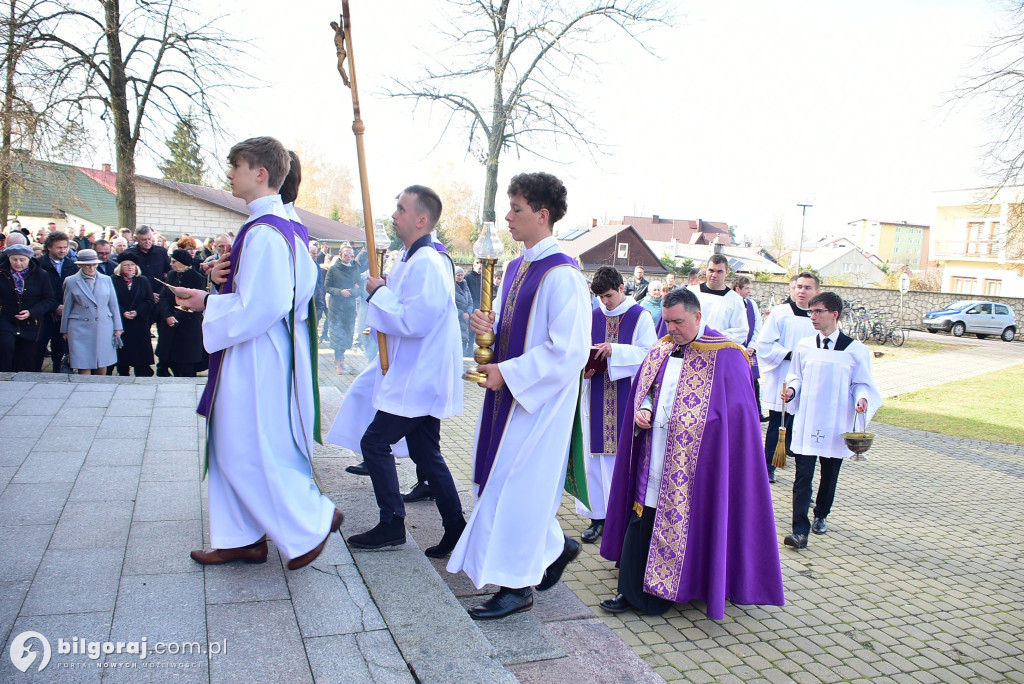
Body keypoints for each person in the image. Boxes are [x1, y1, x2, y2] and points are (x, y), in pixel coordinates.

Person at [173, 135, 340, 571]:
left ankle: (311, 520)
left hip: (256, 356)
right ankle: (240, 539)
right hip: (262, 352)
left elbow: (263, 307)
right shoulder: (278, 227)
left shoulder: (266, 233)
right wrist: (220, 282)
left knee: (239, 446)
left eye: (236, 165)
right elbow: (290, 293)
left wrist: (207, 302)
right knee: (233, 445)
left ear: (260, 173)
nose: (229, 174)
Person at [448, 172, 590, 620]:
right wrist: (488, 331)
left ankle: (518, 587)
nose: (508, 217)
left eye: (517, 209)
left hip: (537, 405)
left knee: (517, 491)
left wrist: (507, 374)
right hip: (507, 398)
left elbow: (568, 350)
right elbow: (518, 331)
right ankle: (551, 547)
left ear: (542, 215)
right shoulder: (516, 267)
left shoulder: (563, 274)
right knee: (500, 484)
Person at [598, 287, 785, 618]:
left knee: (689, 523)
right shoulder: (661, 349)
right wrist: (643, 406)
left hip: (697, 466)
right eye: (667, 322)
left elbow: (738, 417)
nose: (672, 329)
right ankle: (631, 590)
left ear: (698, 317)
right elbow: (650, 389)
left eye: (678, 322)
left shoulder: (728, 355)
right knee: (642, 518)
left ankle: (678, 588)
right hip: (654, 455)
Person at [336, 185, 466, 555]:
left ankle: (392, 523)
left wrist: (379, 293)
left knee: (374, 442)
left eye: (401, 209)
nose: (394, 215)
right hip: (413, 371)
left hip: (419, 375)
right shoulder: (413, 257)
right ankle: (456, 527)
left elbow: (415, 320)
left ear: (421, 220)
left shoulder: (428, 261)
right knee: (427, 455)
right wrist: (384, 289)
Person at [781, 292, 881, 549]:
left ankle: (822, 513)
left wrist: (862, 399)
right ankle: (799, 531)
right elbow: (796, 377)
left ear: (834, 314)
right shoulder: (805, 346)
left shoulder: (855, 350)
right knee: (802, 476)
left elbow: (862, 383)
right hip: (808, 419)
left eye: (818, 312)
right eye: (811, 312)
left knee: (829, 474)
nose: (812, 317)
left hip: (836, 421)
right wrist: (791, 391)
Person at [577, 266, 657, 545]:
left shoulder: (640, 317)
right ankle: (596, 519)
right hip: (595, 396)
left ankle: (620, 522)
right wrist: (583, 370)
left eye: (609, 295)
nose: (605, 302)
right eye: (599, 297)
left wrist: (615, 351)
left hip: (626, 398)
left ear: (622, 288)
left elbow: (651, 356)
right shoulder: (593, 316)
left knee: (617, 464)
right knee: (593, 461)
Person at [756, 272, 819, 483]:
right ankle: (768, 466)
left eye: (808, 287)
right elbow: (764, 343)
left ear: (816, 291)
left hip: (809, 378)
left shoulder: (818, 315)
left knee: (800, 423)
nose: (802, 291)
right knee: (778, 423)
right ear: (791, 289)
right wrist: (789, 354)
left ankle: (801, 472)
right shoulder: (781, 312)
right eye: (799, 286)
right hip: (783, 374)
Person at [60, 249, 122, 375]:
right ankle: (84, 388)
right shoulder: (71, 281)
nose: (91, 267)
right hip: (80, 326)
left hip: (104, 325)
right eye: (88, 265)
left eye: (94, 264)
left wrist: (117, 327)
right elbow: (67, 307)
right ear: (80, 265)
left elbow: (113, 305)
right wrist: (64, 329)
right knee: (83, 361)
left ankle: (101, 388)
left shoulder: (106, 280)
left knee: (103, 360)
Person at [0, 244, 57, 372]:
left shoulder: (41, 275)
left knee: (27, 358)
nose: (18, 263)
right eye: (14, 259)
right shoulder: (2, 273)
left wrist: (32, 312)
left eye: (22, 260)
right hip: (6, 319)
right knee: (5, 347)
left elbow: (49, 299)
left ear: (29, 259)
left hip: (31, 323)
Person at [155, 249, 207, 377]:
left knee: (185, 363)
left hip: (187, 326)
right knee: (167, 358)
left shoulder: (197, 278)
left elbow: (194, 302)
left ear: (183, 263)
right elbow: (163, 297)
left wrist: (176, 317)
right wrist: (167, 315)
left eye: (174, 262)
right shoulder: (172, 275)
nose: (171, 264)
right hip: (169, 324)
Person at [35, 231, 78, 372]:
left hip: (65, 314)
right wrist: (54, 306)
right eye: (59, 247)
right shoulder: (38, 265)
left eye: (65, 247)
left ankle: (59, 375)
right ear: (49, 247)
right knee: (39, 347)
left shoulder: (72, 265)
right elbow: (36, 290)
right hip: (44, 314)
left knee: (60, 349)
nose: (63, 250)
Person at [687, 254, 748, 346]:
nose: (714, 275)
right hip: (690, 346)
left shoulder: (735, 300)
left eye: (719, 272)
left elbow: (740, 331)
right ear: (706, 270)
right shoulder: (690, 293)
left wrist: (712, 338)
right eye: (711, 270)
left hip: (719, 350)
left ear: (727, 272)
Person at [111, 252, 156, 377]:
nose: (130, 267)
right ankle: (123, 372)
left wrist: (137, 312)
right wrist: (122, 312)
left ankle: (142, 373)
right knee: (123, 354)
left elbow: (149, 300)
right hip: (122, 322)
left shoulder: (143, 280)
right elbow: (111, 300)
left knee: (140, 355)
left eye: (132, 265)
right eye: (126, 265)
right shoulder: (113, 280)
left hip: (139, 323)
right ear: (120, 267)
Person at [325, 246, 361, 373]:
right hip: (337, 307)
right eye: (346, 254)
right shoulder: (334, 269)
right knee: (337, 334)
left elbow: (359, 288)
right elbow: (327, 287)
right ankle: (339, 361)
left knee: (347, 334)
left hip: (350, 307)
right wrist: (340, 291)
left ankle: (341, 358)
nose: (349, 256)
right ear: (340, 255)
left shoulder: (356, 268)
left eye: (351, 254)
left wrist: (353, 291)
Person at [733, 275, 764, 419]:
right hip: (735, 350)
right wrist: (741, 347)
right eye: (747, 288)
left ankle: (756, 412)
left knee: (754, 381)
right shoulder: (731, 302)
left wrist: (752, 345)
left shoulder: (751, 304)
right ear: (738, 289)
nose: (749, 291)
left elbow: (758, 326)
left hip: (750, 351)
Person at [454, 266, 474, 356]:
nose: (460, 277)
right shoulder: (451, 286)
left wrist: (468, 312)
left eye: (462, 275)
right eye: (458, 275)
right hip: (456, 317)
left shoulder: (465, 285)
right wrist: (461, 313)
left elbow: (470, 301)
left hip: (465, 317)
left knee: (465, 338)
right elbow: (451, 303)